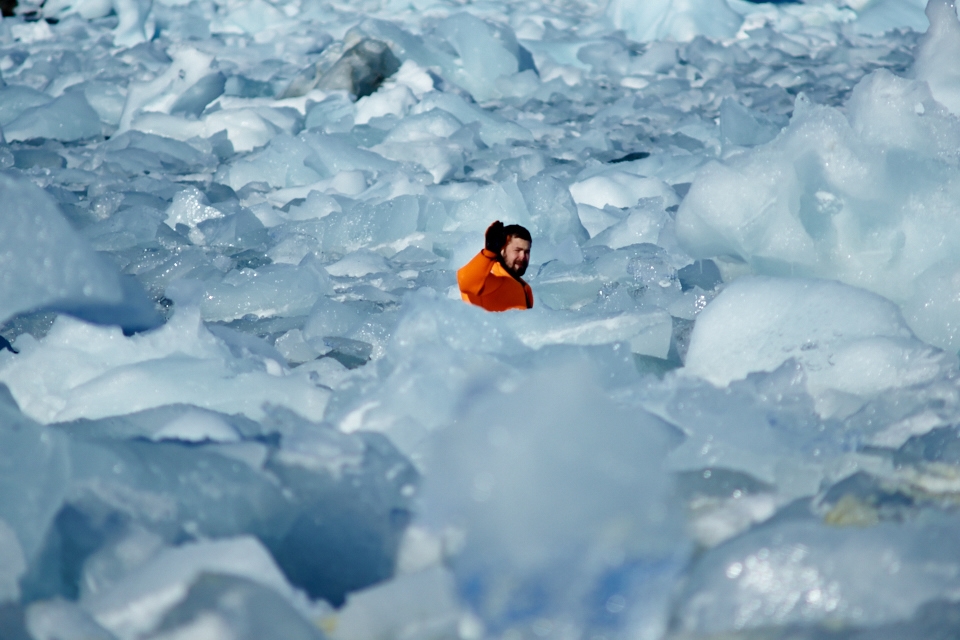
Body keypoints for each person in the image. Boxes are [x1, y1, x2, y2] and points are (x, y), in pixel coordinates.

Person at [457, 221, 533, 311]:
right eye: (517, 250)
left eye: (526, 252)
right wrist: (489, 253)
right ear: (502, 250)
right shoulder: (494, 277)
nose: (523, 257)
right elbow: (466, 282)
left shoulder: (520, 284)